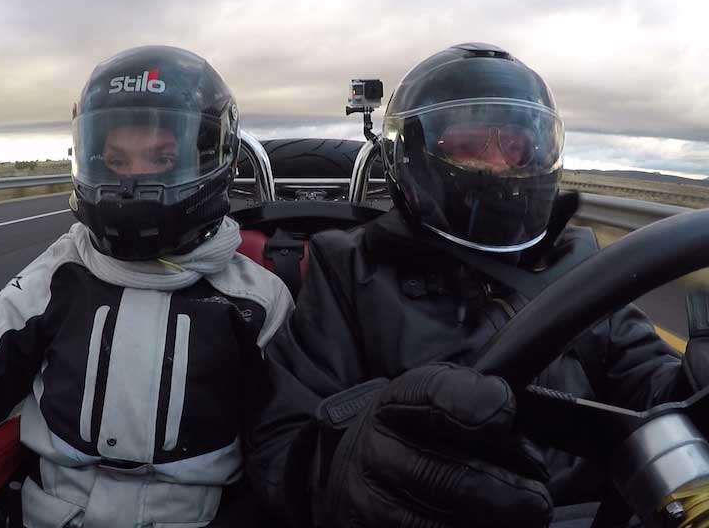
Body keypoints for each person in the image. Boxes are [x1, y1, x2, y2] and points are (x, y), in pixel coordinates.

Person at [245, 43, 698, 528]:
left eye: (516, 147)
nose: (499, 166)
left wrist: (695, 380)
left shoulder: (584, 266)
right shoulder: (350, 270)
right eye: (466, 145)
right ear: (411, 154)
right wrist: (352, 467)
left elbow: (654, 384)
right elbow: (280, 448)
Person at [0, 46, 293, 527]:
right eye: (115, 160)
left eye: (161, 158)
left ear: (213, 158)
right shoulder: (58, 274)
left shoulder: (257, 300)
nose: (132, 182)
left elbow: (285, 449)